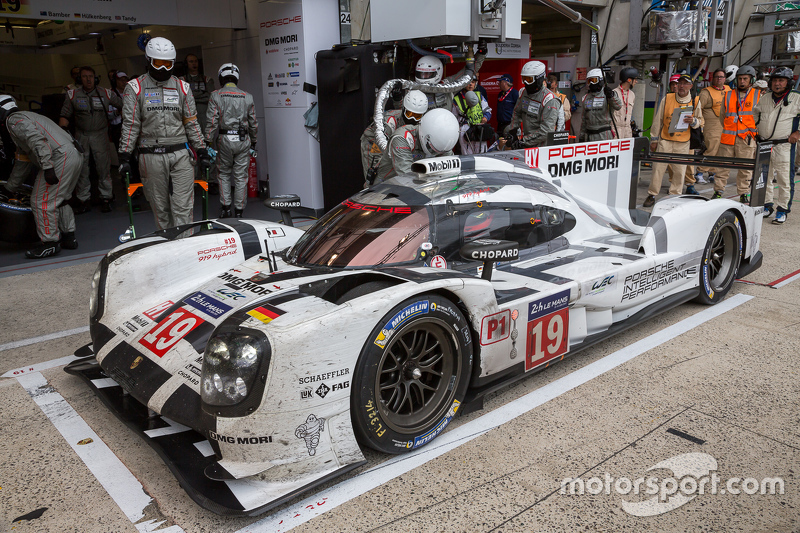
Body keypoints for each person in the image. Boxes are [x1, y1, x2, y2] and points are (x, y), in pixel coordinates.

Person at [119, 37, 211, 231]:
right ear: (149, 61)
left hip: (181, 154)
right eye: (157, 63)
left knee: (183, 208)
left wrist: (201, 150)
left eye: (167, 64)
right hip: (150, 154)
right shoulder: (135, 88)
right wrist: (125, 155)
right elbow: (131, 124)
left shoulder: (183, 87)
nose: (162, 69)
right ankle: (168, 247)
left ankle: (185, 250)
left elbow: (191, 122)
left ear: (173, 63)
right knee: (160, 208)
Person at [0, 95, 82, 259]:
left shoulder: (14, 121)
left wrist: (48, 167)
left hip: (58, 158)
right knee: (62, 198)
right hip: (74, 155)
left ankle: (50, 243)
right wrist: (10, 188)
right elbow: (22, 161)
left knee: (41, 201)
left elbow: (38, 141)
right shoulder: (28, 116)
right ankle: (68, 237)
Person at [59, 65, 123, 214]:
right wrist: (63, 135)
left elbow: (124, 106)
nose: (88, 79)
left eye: (90, 76)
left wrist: (124, 122)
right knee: (82, 169)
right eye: (84, 76)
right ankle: (83, 199)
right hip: (81, 135)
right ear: (79, 79)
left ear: (95, 78)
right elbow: (64, 115)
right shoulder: (72, 95)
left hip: (100, 134)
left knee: (103, 168)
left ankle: (106, 197)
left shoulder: (105, 94)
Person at [204, 63, 259, 219]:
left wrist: (207, 143)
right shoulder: (247, 96)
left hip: (224, 139)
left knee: (223, 174)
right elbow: (254, 123)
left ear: (221, 77)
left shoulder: (216, 95)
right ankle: (239, 211)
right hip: (244, 139)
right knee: (241, 176)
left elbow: (211, 122)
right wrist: (254, 142)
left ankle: (226, 209)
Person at [643, 74, 704, 207]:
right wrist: (654, 139)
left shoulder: (695, 101)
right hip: (665, 139)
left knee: (679, 171)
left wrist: (693, 121)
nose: (681, 86)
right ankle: (652, 194)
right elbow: (658, 119)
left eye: (685, 83)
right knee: (658, 169)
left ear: (690, 86)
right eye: (680, 83)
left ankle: (675, 195)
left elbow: (700, 121)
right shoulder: (668, 98)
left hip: (683, 142)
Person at [754, 67, 800, 224]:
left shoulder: (796, 97)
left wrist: (798, 133)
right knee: (764, 177)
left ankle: (782, 210)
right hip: (764, 144)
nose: (777, 84)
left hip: (784, 145)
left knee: (784, 178)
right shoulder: (765, 98)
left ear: (788, 83)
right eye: (774, 80)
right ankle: (767, 206)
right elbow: (755, 115)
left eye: (781, 80)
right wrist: (755, 130)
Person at [713, 65, 761, 203]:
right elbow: (723, 117)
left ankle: (744, 193)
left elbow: (760, 118)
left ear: (751, 80)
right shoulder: (728, 95)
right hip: (728, 137)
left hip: (746, 138)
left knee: (745, 169)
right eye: (740, 79)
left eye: (745, 79)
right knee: (722, 167)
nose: (742, 82)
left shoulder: (758, 95)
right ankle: (718, 191)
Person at [391, 45, 487, 112]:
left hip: (447, 131)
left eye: (427, 74)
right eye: (421, 74)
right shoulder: (413, 90)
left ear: (438, 71)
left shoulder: (447, 85)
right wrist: (397, 99)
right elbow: (403, 112)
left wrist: (481, 54)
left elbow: (468, 73)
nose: (423, 77)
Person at [374, 108, 459, 182]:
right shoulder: (402, 138)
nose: (434, 153)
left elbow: (452, 169)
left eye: (438, 151)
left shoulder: (443, 144)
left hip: (418, 186)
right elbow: (407, 175)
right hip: (384, 187)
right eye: (432, 149)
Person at [361, 90, 427, 185]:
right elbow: (380, 145)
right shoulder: (390, 121)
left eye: (417, 116)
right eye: (409, 114)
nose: (412, 119)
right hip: (373, 141)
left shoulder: (423, 124)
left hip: (393, 142)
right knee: (374, 174)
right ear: (404, 110)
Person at [502, 61, 560, 148]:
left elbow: (546, 131)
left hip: (541, 147)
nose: (525, 82)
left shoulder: (550, 99)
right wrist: (512, 131)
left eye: (529, 79)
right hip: (526, 144)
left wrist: (523, 141)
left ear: (539, 79)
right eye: (523, 78)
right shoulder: (523, 93)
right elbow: (516, 112)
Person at [695, 69, 730, 184]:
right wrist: (700, 124)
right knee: (711, 149)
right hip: (711, 125)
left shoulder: (729, 90)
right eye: (717, 77)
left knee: (720, 151)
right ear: (713, 78)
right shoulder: (706, 92)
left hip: (725, 124)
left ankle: (712, 173)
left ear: (725, 79)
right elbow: (698, 109)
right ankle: (700, 172)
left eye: (721, 77)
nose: (719, 79)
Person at [579, 68, 623, 142]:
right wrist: (582, 136)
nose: (591, 83)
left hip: (603, 134)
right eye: (589, 81)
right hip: (589, 135)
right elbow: (584, 119)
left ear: (601, 80)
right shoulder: (586, 98)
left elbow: (618, 106)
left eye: (594, 80)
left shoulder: (608, 94)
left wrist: (611, 96)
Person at [181, 54, 215, 133]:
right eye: (191, 61)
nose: (194, 63)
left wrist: (192, 96)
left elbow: (211, 98)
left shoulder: (207, 79)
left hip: (205, 116)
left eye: (196, 61)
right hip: (189, 117)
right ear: (186, 64)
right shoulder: (182, 80)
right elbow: (182, 98)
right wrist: (202, 94)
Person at [453, 89, 493, 154]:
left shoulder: (479, 95)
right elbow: (454, 117)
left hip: (480, 127)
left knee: (482, 154)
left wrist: (485, 117)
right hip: (465, 129)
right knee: (467, 155)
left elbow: (488, 110)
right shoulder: (456, 99)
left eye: (473, 82)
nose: (471, 84)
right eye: (469, 82)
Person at [612, 67, 638, 138]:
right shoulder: (614, 93)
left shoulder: (632, 95)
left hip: (627, 131)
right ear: (629, 80)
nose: (636, 81)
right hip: (615, 130)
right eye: (635, 79)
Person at [108, 71, 129, 152]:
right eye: (121, 80)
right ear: (115, 81)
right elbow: (108, 115)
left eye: (125, 80)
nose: (124, 82)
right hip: (117, 129)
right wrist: (117, 112)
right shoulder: (110, 94)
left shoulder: (131, 93)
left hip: (130, 127)